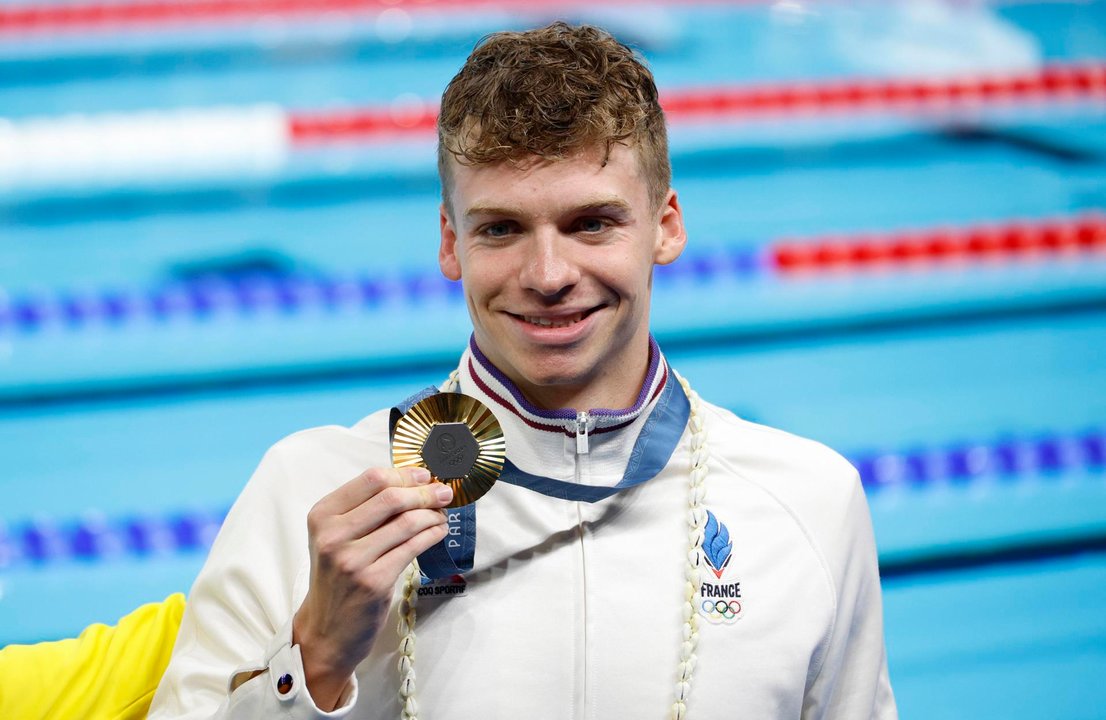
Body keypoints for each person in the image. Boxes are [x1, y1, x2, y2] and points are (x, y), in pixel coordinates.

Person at [150, 22, 897, 719]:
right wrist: (311, 662)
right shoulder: (314, 494)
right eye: (502, 228)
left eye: (590, 223)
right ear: (451, 244)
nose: (547, 274)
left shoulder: (807, 503)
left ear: (665, 226)